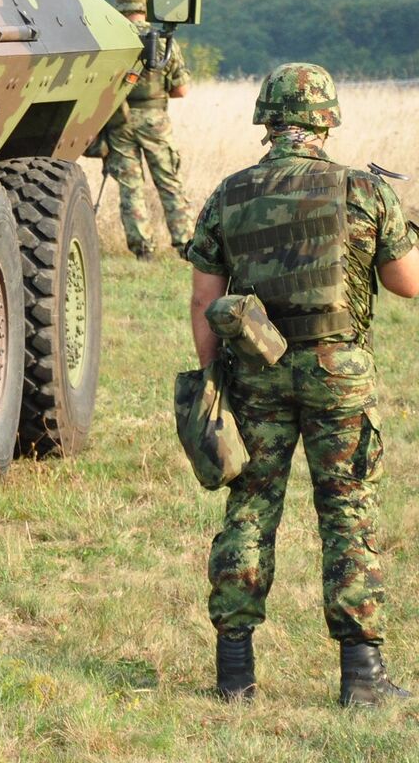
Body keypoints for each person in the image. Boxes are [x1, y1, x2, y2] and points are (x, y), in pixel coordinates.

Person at [186, 63, 419, 705]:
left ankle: (235, 675)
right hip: (338, 376)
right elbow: (408, 283)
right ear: (326, 118)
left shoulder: (230, 194)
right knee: (347, 513)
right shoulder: (364, 191)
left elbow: (205, 301)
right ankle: (363, 679)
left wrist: (212, 387)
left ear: (267, 118)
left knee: (250, 509)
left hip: (256, 376)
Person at [104, 0, 193, 260]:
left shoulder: (111, 39)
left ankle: (143, 250)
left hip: (120, 119)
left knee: (131, 188)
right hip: (155, 121)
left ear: (120, 6)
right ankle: (185, 244)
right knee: (168, 182)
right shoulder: (163, 39)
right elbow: (181, 89)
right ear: (146, 5)